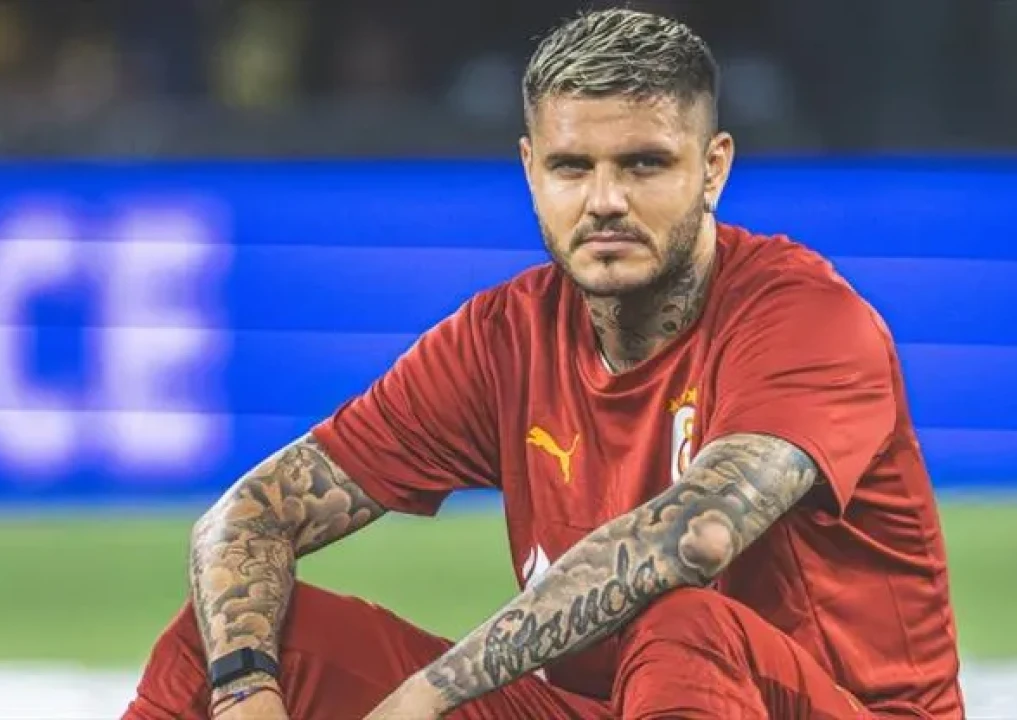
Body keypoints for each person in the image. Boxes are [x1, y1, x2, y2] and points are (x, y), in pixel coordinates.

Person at [124, 8, 963, 720]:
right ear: (531, 171)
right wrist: (244, 691)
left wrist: (427, 696)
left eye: (644, 164)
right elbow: (249, 517)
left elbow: (697, 535)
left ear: (713, 169)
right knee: (232, 636)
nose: (605, 200)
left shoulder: (805, 317)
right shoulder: (503, 337)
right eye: (572, 167)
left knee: (682, 624)